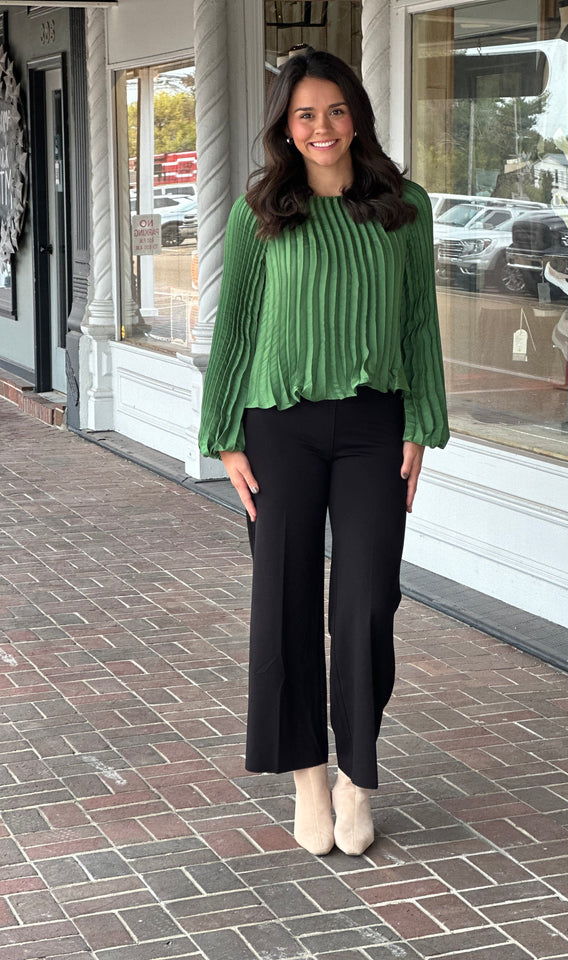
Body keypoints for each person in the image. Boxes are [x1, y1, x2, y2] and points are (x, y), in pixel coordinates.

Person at [198, 49, 449, 857]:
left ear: (357, 116)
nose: (321, 127)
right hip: (279, 425)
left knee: (367, 602)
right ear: (285, 125)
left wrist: (422, 422)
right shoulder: (262, 211)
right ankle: (309, 776)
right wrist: (223, 435)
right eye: (304, 114)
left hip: (376, 425)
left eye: (335, 110)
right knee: (286, 601)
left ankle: (356, 779)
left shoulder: (404, 206)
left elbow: (418, 320)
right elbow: (236, 326)